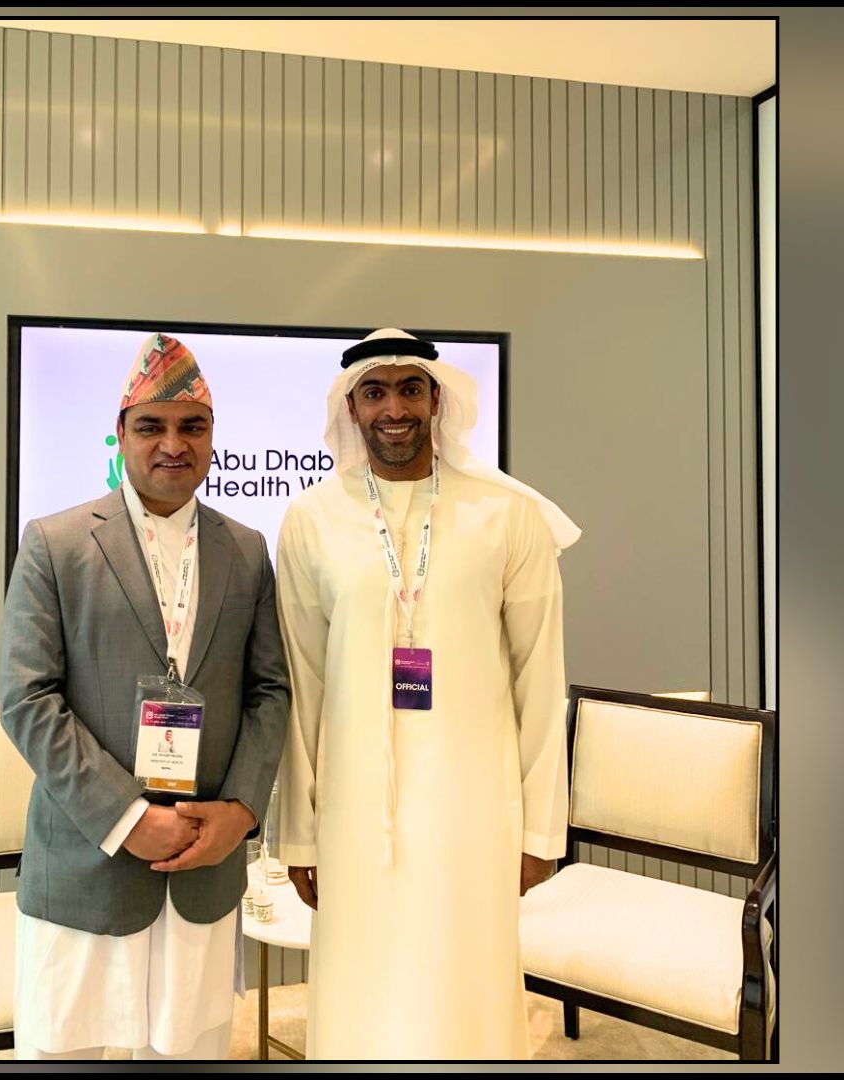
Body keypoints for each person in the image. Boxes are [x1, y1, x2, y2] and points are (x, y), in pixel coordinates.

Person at [273, 327, 581, 1059]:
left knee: (465, 991)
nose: (394, 409)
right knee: (361, 993)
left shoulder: (506, 514)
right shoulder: (312, 519)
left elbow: (541, 679)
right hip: (353, 815)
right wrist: (299, 832)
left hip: (474, 811)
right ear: (351, 407)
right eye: (375, 392)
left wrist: (542, 832)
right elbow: (301, 684)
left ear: (437, 400)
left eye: (411, 389)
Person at [0, 332, 291, 1060]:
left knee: (189, 1050)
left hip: (203, 862)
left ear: (212, 436)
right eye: (152, 425)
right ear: (121, 431)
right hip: (88, 865)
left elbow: (269, 691)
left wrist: (240, 812)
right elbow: (28, 699)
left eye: (193, 426)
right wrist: (127, 817)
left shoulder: (246, 549)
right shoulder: (56, 543)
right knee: (69, 1050)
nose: (173, 444)